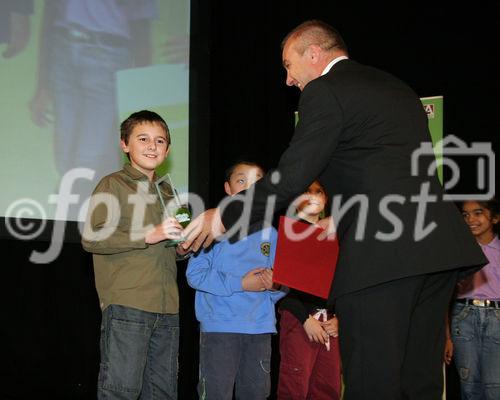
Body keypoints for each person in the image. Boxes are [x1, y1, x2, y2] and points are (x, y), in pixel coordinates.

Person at [182, 20, 487, 399]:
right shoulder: (396, 88)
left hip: (383, 257)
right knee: (418, 383)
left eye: (289, 66)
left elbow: (293, 175)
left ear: (313, 54)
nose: (288, 80)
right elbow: (393, 170)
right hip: (434, 248)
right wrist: (343, 214)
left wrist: (225, 214)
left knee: (372, 382)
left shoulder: (325, 90)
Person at [81, 110, 183, 400]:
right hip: (129, 304)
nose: (153, 146)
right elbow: (92, 237)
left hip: (168, 307)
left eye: (160, 140)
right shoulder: (112, 184)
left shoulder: (169, 192)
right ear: (124, 144)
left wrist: (184, 246)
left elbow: (170, 247)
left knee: (163, 392)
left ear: (168, 149)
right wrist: (149, 234)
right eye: (143, 139)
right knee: (121, 391)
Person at [186, 161, 287, 400]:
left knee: (256, 393)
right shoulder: (213, 229)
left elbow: (283, 284)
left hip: (259, 329)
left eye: (257, 184)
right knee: (215, 393)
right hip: (220, 328)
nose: (249, 188)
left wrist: (275, 286)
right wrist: (240, 283)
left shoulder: (274, 236)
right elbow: (195, 274)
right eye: (241, 181)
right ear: (228, 189)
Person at [277, 180, 341, 400]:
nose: (313, 195)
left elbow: (343, 283)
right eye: (306, 191)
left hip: (330, 324)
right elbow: (281, 288)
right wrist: (306, 319)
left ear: (325, 200)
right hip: (299, 319)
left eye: (319, 191)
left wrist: (339, 318)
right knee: (295, 388)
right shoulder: (287, 233)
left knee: (328, 388)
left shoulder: (337, 238)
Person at [450, 198, 499, 400]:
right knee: (469, 387)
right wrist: (445, 337)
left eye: (478, 213)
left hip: (496, 318)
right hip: (464, 317)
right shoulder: (457, 252)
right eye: (465, 215)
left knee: (494, 387)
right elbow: (445, 297)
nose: (471, 219)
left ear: (495, 218)